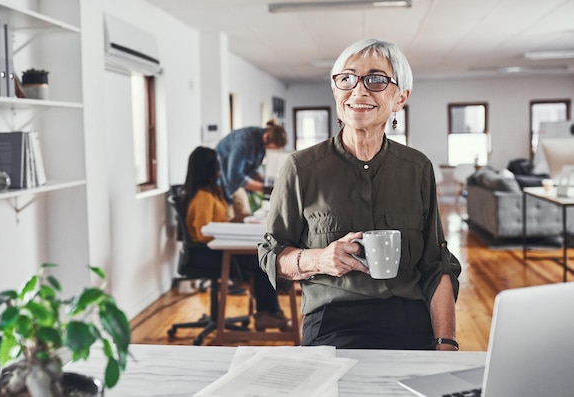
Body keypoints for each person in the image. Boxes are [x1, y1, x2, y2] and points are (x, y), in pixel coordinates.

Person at [258, 39, 462, 350]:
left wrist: (446, 343)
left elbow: (437, 265)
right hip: (332, 321)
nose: (359, 90)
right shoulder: (301, 168)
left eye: (377, 79)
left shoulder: (417, 168)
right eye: (347, 78)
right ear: (335, 90)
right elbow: (271, 255)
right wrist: (320, 259)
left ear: (400, 97)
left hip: (410, 317)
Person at [182, 146, 291, 331]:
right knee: (262, 262)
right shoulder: (203, 198)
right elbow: (203, 233)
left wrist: (233, 222)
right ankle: (268, 314)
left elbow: (215, 222)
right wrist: (230, 228)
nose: (220, 170)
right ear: (209, 169)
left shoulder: (210, 194)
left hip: (211, 250)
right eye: (217, 166)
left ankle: (270, 312)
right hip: (205, 254)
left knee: (262, 259)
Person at [215, 119, 288, 221]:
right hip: (223, 181)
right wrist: (265, 189)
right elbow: (235, 176)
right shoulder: (244, 141)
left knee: (245, 215)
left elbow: (252, 170)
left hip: (235, 182)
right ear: (266, 138)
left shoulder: (262, 143)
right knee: (229, 217)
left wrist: (267, 181)